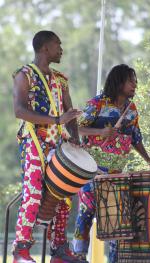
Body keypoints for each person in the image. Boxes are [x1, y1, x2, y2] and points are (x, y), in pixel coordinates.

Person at [72, 64, 150, 262]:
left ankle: (114, 260)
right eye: (131, 80)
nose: (135, 85)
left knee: (116, 220)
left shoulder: (132, 110)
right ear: (119, 81)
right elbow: (77, 129)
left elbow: (136, 138)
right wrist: (101, 132)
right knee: (86, 213)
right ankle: (78, 257)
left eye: (136, 81)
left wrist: (148, 160)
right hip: (91, 171)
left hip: (115, 174)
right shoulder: (97, 103)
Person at [12, 30, 87, 263]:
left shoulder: (61, 80)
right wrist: (57, 121)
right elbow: (19, 111)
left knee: (64, 196)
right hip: (33, 141)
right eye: (58, 44)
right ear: (45, 48)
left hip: (58, 145)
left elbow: (70, 114)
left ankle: (59, 251)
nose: (61, 49)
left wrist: (75, 138)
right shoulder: (24, 75)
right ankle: (20, 251)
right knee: (33, 195)